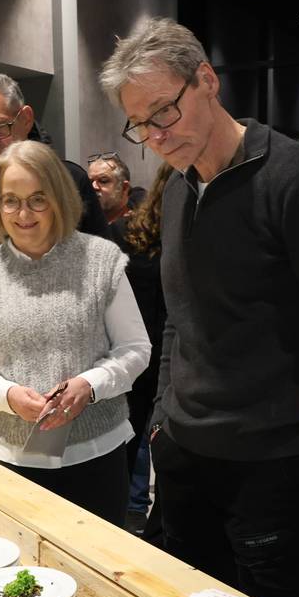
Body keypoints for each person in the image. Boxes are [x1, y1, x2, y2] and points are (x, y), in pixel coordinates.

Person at [100, 18, 299, 597]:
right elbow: (179, 317)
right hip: (186, 458)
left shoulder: (297, 179)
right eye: (139, 124)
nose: (154, 136)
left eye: (163, 113)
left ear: (206, 81)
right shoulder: (174, 191)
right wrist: (162, 421)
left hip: (275, 464)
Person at [0, 140, 150, 526]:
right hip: (13, 461)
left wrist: (89, 385)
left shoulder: (100, 261)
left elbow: (135, 349)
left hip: (98, 456)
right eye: (10, 200)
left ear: (59, 199)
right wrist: (8, 396)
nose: (23, 213)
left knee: (98, 573)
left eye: (37, 199)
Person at [0, 73, 111, 448]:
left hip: (74, 361)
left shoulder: (71, 180)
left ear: (25, 119)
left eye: (0, 129)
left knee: (83, 461)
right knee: (7, 470)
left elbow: (105, 269)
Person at [111, 163, 174, 541]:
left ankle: (156, 523)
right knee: (128, 439)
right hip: (134, 355)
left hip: (174, 357)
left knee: (164, 443)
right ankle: (126, 514)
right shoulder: (125, 233)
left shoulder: (199, 236)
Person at [88, 152, 141, 227]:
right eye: (90, 182)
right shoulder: (84, 226)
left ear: (124, 187)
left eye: (103, 181)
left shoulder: (139, 228)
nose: (93, 186)